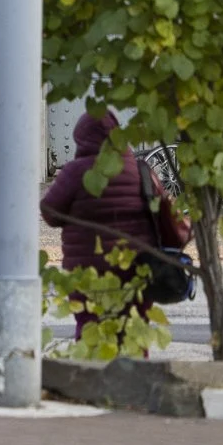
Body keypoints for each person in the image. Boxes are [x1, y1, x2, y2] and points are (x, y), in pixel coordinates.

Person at [41, 110, 159, 337]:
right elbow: (161, 209)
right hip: (136, 268)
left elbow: (50, 212)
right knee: (134, 331)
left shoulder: (76, 172)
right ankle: (136, 372)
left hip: (88, 273)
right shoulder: (139, 169)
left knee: (90, 331)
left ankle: (91, 370)